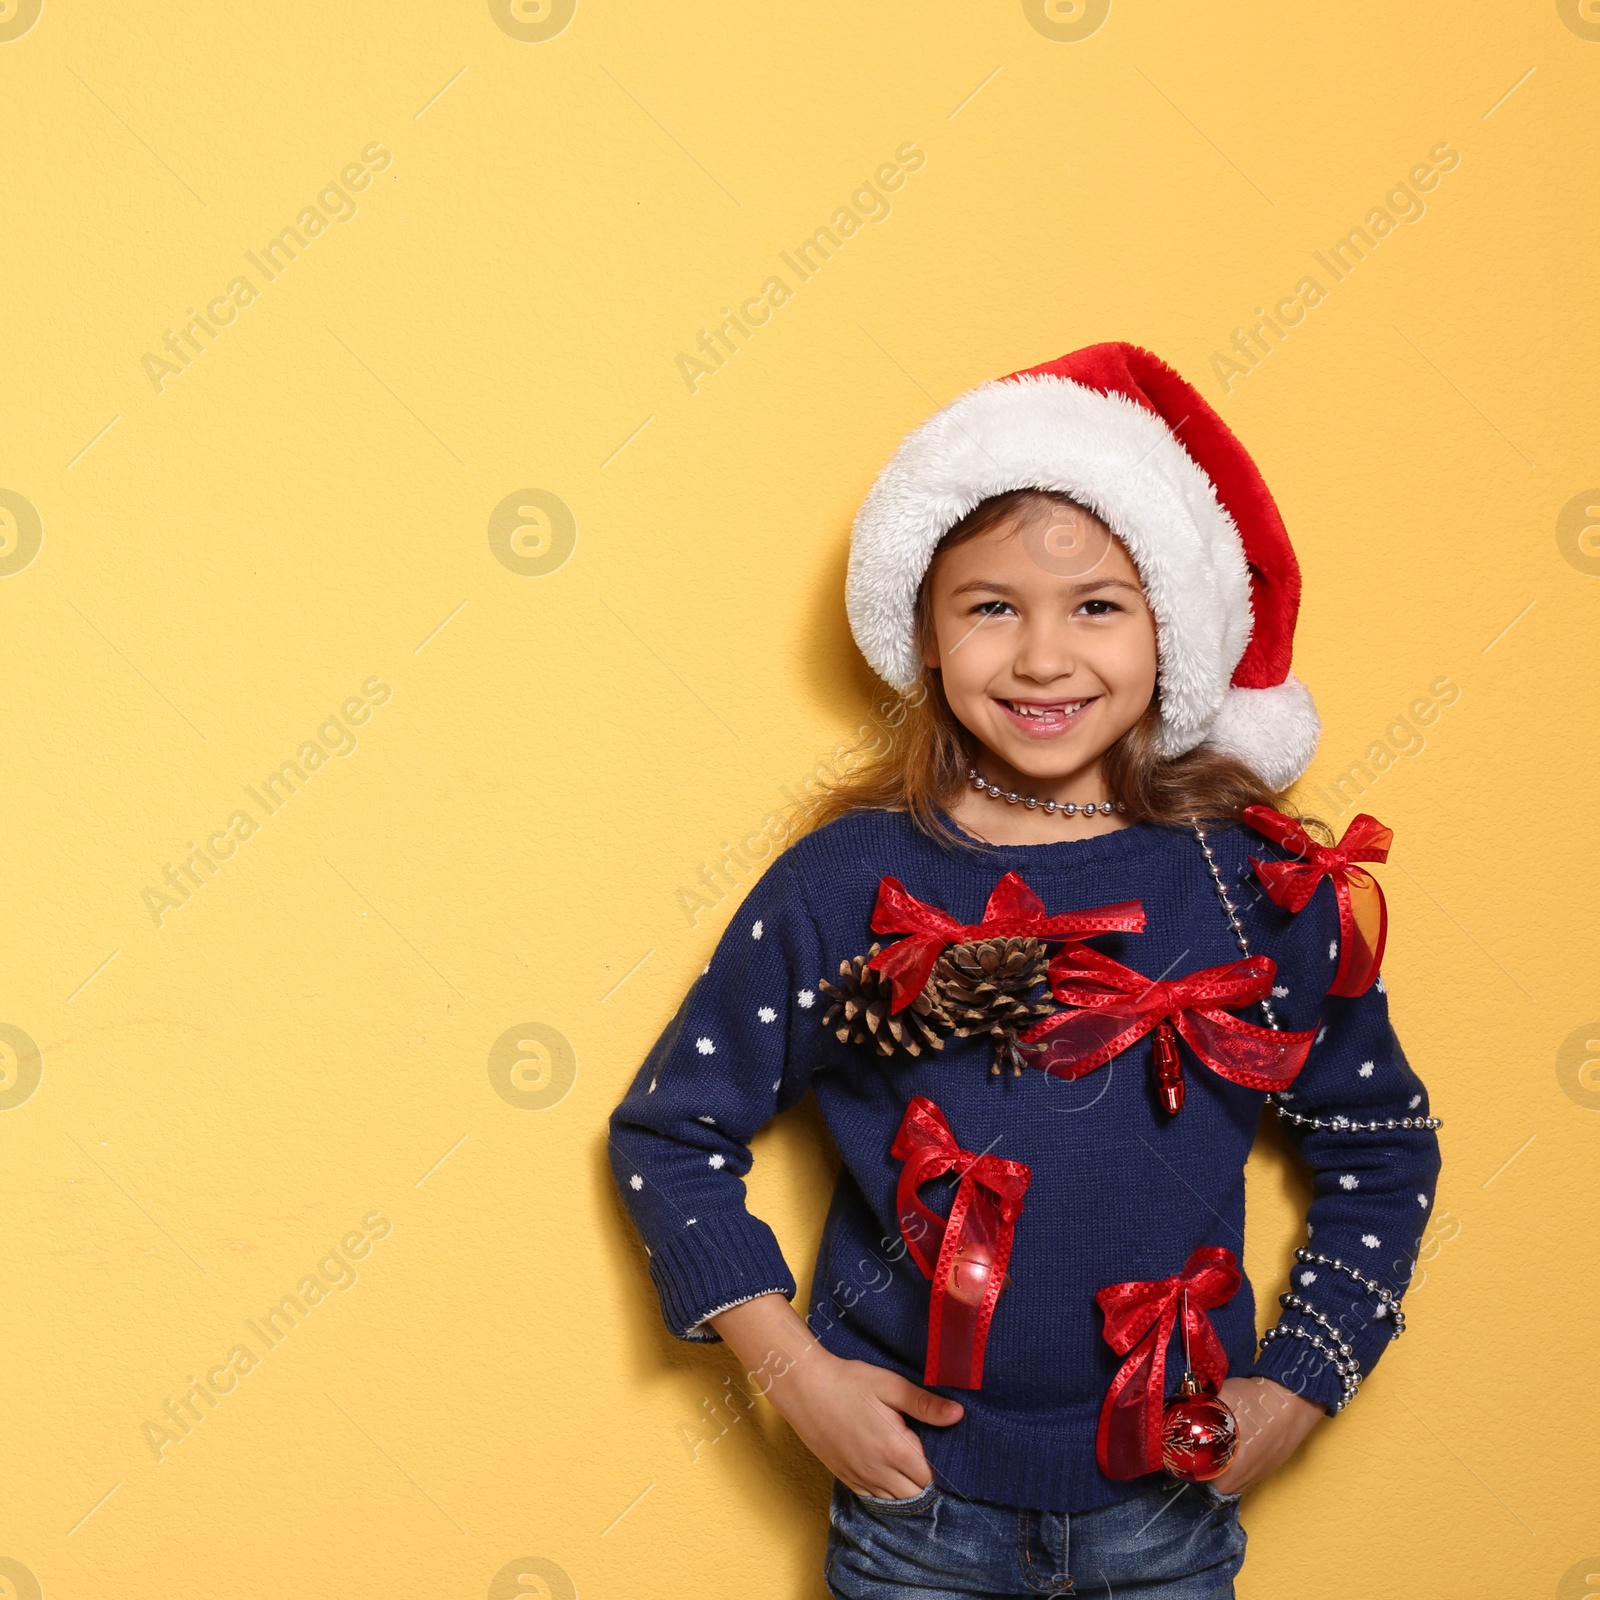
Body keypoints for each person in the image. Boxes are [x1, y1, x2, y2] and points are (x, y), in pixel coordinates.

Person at [607, 343, 1443, 1597]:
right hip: (915, 1522)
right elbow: (668, 1132)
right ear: (923, 632)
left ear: (1175, 628)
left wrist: (1301, 1385)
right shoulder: (846, 886)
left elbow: (1382, 1145)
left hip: (1167, 1512)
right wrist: (790, 1368)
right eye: (990, 605)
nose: (1043, 657)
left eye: (1097, 605)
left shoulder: (1251, 889)